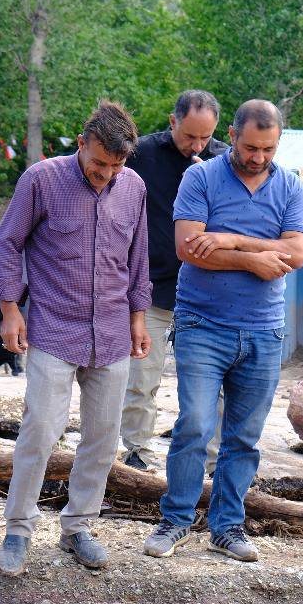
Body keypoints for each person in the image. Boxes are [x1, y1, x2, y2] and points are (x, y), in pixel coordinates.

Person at [0, 101, 151, 574]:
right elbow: (6, 242)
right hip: (54, 327)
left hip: (113, 332)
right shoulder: (41, 180)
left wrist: (138, 318)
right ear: (81, 144)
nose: (106, 174)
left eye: (116, 166)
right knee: (41, 428)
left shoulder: (134, 188)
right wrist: (10, 309)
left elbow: (138, 257)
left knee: (103, 436)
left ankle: (79, 526)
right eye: (99, 163)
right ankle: (18, 529)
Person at [144, 99, 303, 562]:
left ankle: (227, 526)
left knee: (243, 436)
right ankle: (175, 520)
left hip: (263, 329)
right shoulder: (200, 178)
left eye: (268, 149)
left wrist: (231, 240)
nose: (259, 157)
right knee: (195, 424)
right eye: (251, 147)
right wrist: (255, 260)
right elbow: (188, 248)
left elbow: (296, 253)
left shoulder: (291, 186)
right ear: (232, 135)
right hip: (202, 322)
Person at [118, 89, 229, 471]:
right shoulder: (142, 155)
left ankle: (209, 461)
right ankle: (136, 452)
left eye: (205, 137)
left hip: (206, 292)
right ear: (172, 122)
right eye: (189, 136)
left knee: (208, 385)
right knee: (141, 377)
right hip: (150, 288)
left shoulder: (225, 162)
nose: (197, 146)